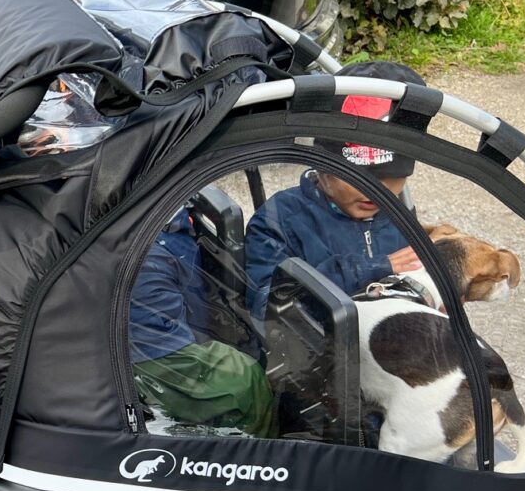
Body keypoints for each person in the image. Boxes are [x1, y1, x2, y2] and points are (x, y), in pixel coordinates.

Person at [244, 61, 428, 323]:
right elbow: (266, 308)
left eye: (391, 178)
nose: (376, 193)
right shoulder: (280, 220)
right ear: (322, 165)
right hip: (320, 358)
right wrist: (371, 269)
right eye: (357, 177)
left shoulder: (398, 214)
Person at [129, 207, 276, 437]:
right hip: (151, 345)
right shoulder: (146, 256)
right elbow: (153, 343)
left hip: (179, 315)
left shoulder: (171, 215)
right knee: (246, 381)